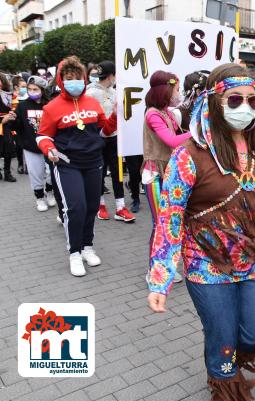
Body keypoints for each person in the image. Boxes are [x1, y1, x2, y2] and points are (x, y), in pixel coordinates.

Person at [147, 63, 255, 401]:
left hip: (249, 263)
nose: (245, 108)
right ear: (214, 102)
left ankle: (232, 362)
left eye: (253, 100)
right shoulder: (188, 155)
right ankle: (224, 386)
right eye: (235, 100)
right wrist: (160, 278)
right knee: (222, 338)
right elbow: (169, 219)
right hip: (206, 266)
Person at [37, 56, 117, 277]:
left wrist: (118, 115)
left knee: (92, 207)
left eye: (77, 77)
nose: (74, 81)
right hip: (67, 164)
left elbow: (104, 131)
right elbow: (43, 136)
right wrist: (49, 150)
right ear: (62, 80)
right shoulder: (52, 107)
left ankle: (87, 247)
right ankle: (74, 253)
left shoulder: (93, 103)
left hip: (94, 162)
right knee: (75, 208)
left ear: (83, 78)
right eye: (68, 78)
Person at [143, 70, 193, 284]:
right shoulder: (153, 113)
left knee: (171, 222)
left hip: (169, 172)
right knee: (159, 224)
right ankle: (155, 270)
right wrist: (199, 131)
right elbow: (172, 141)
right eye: (176, 88)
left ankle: (165, 265)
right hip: (154, 174)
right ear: (166, 89)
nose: (178, 93)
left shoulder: (168, 113)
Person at [87, 61, 135, 223]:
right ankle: (100, 205)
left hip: (114, 138)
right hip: (97, 138)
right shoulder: (90, 93)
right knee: (99, 173)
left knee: (118, 172)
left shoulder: (116, 92)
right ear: (111, 76)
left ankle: (120, 207)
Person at [2, 76, 56, 211]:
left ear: (42, 90)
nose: (32, 91)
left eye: (35, 89)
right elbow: (17, 126)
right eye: (29, 89)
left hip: (50, 145)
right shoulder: (22, 105)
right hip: (31, 147)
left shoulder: (50, 104)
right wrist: (13, 120)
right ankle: (39, 198)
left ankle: (49, 192)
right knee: (36, 174)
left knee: (52, 173)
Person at [0, 73, 16, 182]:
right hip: (2, 121)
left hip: (7, 123)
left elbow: (14, 107)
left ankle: (7, 172)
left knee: (8, 147)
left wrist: (11, 115)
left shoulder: (9, 95)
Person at [11, 75, 27, 175]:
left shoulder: (28, 96)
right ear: (16, 87)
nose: (25, 88)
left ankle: (28, 166)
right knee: (19, 145)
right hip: (15, 125)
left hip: (26, 124)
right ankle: (20, 164)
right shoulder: (11, 97)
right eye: (23, 86)